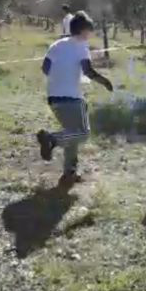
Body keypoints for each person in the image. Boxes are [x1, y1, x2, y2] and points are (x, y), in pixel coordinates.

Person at [37, 11, 114, 184]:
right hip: (71, 97)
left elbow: (45, 68)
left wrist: (60, 76)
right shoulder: (82, 47)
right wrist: (105, 82)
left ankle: (69, 172)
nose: (90, 35)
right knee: (83, 133)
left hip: (53, 97)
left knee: (71, 134)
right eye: (89, 31)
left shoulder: (56, 45)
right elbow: (88, 71)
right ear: (82, 31)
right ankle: (52, 139)